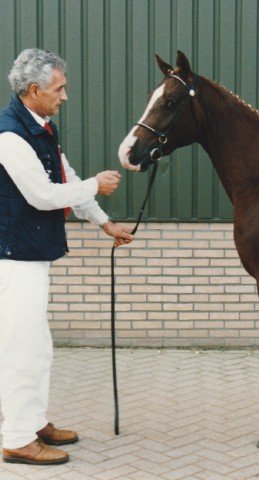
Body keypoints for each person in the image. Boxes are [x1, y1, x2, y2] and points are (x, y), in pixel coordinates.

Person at [0, 48, 133, 465]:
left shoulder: (42, 128)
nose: (65, 96)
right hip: (13, 258)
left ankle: (34, 422)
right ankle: (18, 438)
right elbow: (42, 195)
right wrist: (94, 186)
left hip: (32, 255)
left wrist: (104, 223)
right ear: (34, 89)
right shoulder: (10, 136)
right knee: (21, 349)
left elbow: (65, 178)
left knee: (39, 347)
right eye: (59, 88)